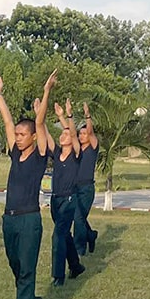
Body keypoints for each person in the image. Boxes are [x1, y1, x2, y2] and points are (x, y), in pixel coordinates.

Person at [0, 70, 54, 299]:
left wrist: (46, 92)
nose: (16, 137)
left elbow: (40, 125)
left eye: (21, 135)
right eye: (15, 135)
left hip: (29, 219)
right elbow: (7, 122)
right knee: (15, 266)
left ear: (31, 137)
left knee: (27, 270)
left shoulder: (40, 154)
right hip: (9, 218)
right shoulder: (15, 154)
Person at [47, 99, 87, 286]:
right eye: (62, 134)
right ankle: (76, 266)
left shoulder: (76, 155)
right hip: (55, 201)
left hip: (68, 200)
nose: (63, 136)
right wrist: (40, 116)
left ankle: (58, 276)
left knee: (57, 235)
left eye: (66, 134)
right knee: (64, 235)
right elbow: (44, 134)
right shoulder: (56, 153)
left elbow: (72, 132)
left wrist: (68, 116)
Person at [72, 103, 98, 255]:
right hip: (74, 188)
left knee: (78, 218)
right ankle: (90, 235)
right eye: (80, 134)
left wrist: (87, 115)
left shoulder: (93, 147)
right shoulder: (77, 149)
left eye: (84, 134)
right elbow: (70, 133)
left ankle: (79, 248)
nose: (82, 136)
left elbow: (91, 131)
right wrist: (64, 116)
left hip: (86, 189)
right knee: (78, 217)